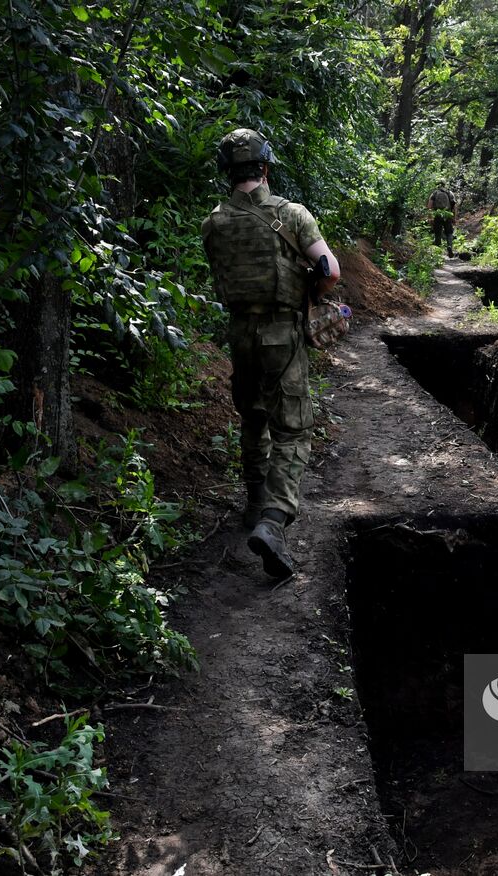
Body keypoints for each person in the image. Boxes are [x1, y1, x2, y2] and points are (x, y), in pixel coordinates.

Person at [202, 128, 340, 579]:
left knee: (253, 416)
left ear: (228, 172)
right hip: (281, 331)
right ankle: (274, 521)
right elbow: (330, 270)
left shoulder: (214, 222)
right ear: (264, 167)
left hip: (240, 332)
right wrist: (312, 290)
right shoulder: (292, 214)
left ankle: (254, 502)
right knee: (293, 429)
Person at [426, 181, 458, 256]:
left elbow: (429, 206)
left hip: (438, 214)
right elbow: (454, 206)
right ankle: (449, 246)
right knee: (449, 232)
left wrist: (430, 217)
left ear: (437, 185)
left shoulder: (434, 193)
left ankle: (438, 252)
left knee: (437, 233)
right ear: (445, 185)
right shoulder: (450, 193)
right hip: (448, 214)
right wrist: (454, 217)